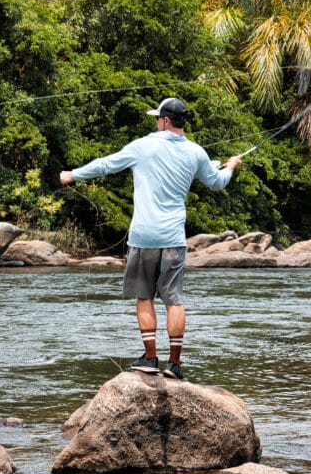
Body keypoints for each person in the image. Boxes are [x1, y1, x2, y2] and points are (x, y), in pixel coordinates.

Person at [60, 97, 242, 381]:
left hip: (144, 237)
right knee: (174, 300)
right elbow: (216, 183)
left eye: (158, 118)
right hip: (173, 238)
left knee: (145, 297)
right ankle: (175, 365)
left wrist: (72, 174)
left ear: (166, 121)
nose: (156, 122)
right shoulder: (197, 152)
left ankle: (149, 357)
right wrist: (230, 167)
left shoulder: (142, 146)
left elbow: (106, 165)